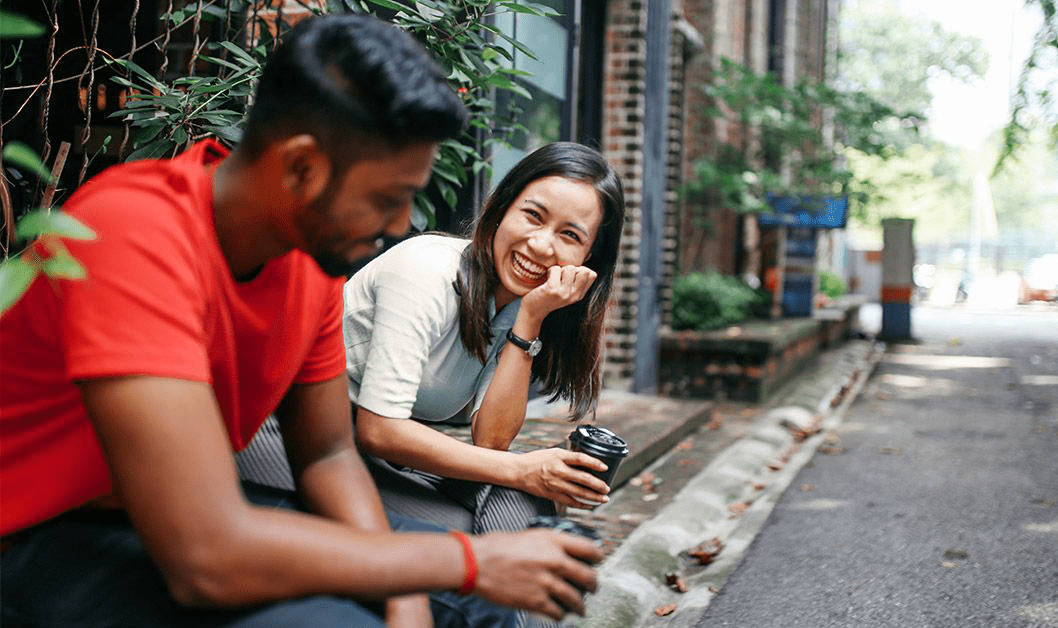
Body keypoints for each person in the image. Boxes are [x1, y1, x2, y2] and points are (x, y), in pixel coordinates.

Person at [0, 14, 602, 628]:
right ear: (301, 168)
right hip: (43, 534)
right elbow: (205, 556)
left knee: (488, 609)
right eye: (385, 200)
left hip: (181, 521)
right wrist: (458, 563)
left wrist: (409, 597)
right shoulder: (135, 233)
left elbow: (327, 455)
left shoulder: (309, 262)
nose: (397, 227)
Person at [240, 142, 626, 537]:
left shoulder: (526, 304)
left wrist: (529, 320)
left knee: (522, 509)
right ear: (502, 208)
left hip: (360, 453)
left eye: (569, 235)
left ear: (588, 259)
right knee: (477, 533)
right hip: (288, 435)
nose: (542, 245)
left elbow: (490, 442)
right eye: (532, 215)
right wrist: (526, 469)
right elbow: (380, 429)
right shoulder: (424, 270)